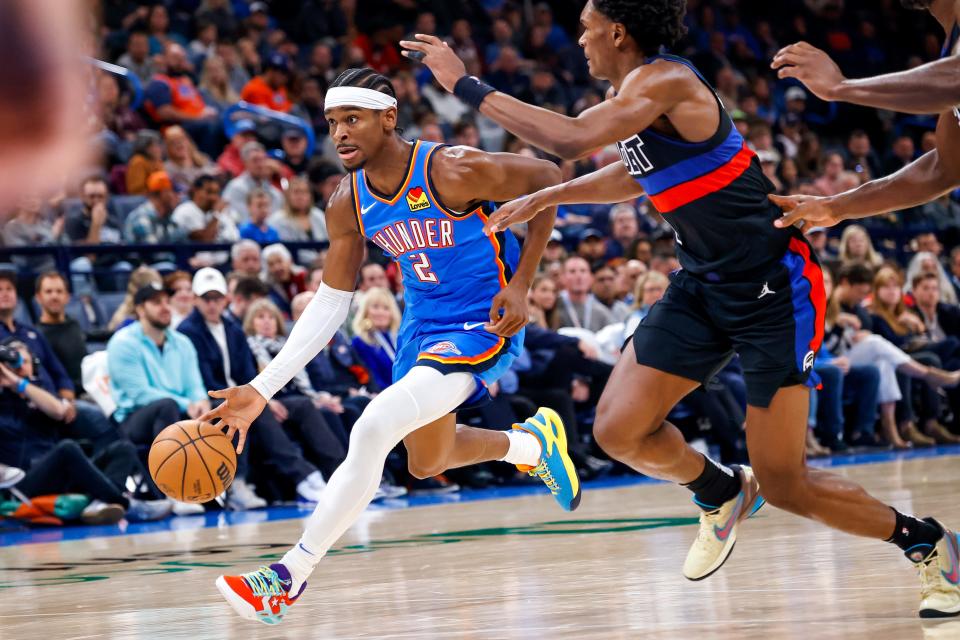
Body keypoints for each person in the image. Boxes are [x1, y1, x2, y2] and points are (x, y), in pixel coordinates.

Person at [404, 0, 960, 616]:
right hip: (702, 284)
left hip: (773, 287)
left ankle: (929, 544)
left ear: (617, 31)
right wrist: (551, 195)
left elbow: (571, 137)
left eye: (587, 31)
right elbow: (633, 171)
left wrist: (463, 82)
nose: (581, 43)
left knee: (787, 483)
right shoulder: (641, 100)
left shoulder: (666, 79)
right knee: (617, 430)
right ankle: (720, 490)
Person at [209, 67, 574, 624]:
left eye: (352, 119)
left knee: (373, 427)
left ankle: (287, 577)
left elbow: (548, 177)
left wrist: (523, 283)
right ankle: (530, 445)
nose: (340, 134)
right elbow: (330, 305)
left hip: (484, 320)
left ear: (388, 117)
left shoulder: (451, 169)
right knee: (428, 461)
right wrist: (260, 390)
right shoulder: (346, 202)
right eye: (332, 123)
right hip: (421, 329)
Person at [769, 1, 960, 236]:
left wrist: (842, 88)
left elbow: (957, 81)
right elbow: (945, 168)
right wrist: (834, 207)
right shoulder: (952, 45)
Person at [177, 269, 328, 505]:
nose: (212, 304)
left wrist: (261, 396)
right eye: (206, 299)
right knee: (246, 408)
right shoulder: (187, 331)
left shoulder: (233, 329)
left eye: (217, 298)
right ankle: (248, 482)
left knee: (303, 405)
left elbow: (248, 373)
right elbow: (203, 378)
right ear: (195, 300)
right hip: (213, 397)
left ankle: (333, 472)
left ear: (225, 299)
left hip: (242, 393)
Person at [0, 337, 172, 524]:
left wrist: (20, 384)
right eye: (13, 364)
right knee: (68, 448)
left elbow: (58, 411)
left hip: (61, 474)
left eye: (24, 362)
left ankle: (99, 504)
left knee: (123, 448)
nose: (20, 367)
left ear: (34, 365)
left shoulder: (41, 393)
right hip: (25, 482)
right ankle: (127, 506)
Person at [350, 287, 402, 390]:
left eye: (386, 308)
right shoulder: (360, 342)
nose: (380, 312)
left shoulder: (399, 338)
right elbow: (373, 379)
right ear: (365, 311)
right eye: (375, 307)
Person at [222, 142, 284, 222]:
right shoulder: (236, 187)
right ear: (245, 162)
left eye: (262, 160)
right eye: (255, 160)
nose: (260, 165)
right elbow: (241, 219)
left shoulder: (274, 193)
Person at [557, 256, 615, 332]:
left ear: (591, 278)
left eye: (583, 271)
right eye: (572, 271)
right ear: (562, 277)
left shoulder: (601, 312)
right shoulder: (554, 305)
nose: (578, 276)